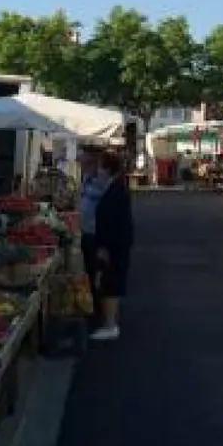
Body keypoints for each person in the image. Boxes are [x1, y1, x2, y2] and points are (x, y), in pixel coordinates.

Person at [90, 150, 135, 342]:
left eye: (100, 166)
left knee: (111, 283)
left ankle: (110, 325)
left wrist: (104, 246)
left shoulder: (115, 190)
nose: (97, 170)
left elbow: (113, 222)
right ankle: (110, 321)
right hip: (117, 244)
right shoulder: (116, 186)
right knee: (111, 282)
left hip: (114, 246)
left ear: (107, 169)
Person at [77, 147, 106, 295]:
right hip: (86, 229)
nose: (80, 165)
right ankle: (93, 296)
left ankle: (96, 297)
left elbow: (102, 195)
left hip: (95, 230)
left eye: (82, 162)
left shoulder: (100, 178)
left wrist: (84, 190)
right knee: (89, 266)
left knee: (95, 266)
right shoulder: (86, 177)